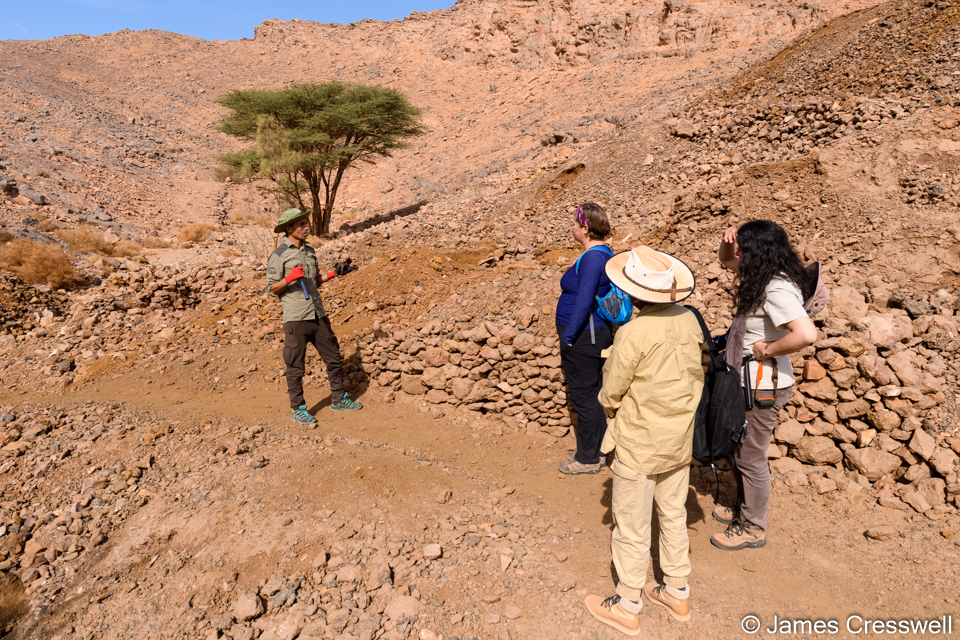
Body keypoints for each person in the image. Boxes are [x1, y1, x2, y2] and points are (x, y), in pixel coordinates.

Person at [584, 246, 703, 635]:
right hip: (678, 439)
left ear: (633, 293)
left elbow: (612, 390)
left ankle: (629, 603)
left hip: (640, 440)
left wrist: (608, 404)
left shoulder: (633, 333)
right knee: (673, 514)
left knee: (632, 524)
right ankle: (677, 591)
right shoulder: (690, 320)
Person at [711, 220, 817, 551]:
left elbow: (806, 334)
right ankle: (744, 510)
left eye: (744, 247)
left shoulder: (776, 288)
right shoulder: (762, 276)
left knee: (751, 454)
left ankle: (754, 526)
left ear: (758, 251)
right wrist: (728, 242)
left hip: (761, 385)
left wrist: (767, 350)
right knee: (740, 447)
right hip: (747, 381)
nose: (738, 253)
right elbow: (726, 261)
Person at [266, 208, 362, 424]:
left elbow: (314, 281)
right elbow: (272, 289)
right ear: (289, 228)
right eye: (301, 225)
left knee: (334, 358)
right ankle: (298, 409)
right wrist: (289, 278)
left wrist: (332, 274)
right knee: (296, 366)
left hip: (318, 315)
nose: (306, 227)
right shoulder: (278, 255)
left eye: (306, 223)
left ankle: (339, 400)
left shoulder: (310, 252)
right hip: (296, 318)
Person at [555, 203, 615, 475]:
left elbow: (584, 298)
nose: (571, 228)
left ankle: (588, 458)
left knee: (584, 396)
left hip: (583, 336)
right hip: (589, 333)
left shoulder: (592, 258)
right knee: (592, 393)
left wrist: (569, 334)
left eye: (574, 224)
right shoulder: (601, 253)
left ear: (586, 228)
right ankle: (595, 450)